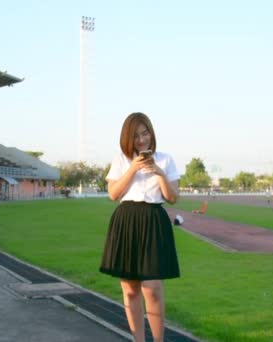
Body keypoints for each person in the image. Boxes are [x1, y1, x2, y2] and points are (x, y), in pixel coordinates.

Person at [99, 112, 180, 342]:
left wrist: (160, 173)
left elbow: (173, 197)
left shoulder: (165, 159)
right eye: (136, 137)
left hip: (154, 220)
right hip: (127, 220)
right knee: (131, 288)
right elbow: (114, 194)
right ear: (128, 139)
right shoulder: (121, 160)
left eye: (145, 133)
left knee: (152, 288)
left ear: (151, 132)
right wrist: (133, 168)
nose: (142, 140)